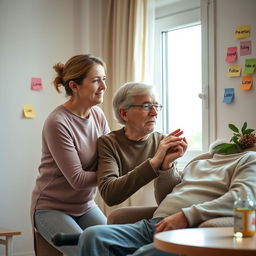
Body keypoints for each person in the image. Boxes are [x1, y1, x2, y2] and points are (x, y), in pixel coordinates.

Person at [78, 115, 256, 255]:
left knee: (143, 254)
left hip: (187, 231)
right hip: (154, 224)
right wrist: (167, 166)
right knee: (91, 236)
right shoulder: (200, 162)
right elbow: (165, 197)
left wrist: (187, 216)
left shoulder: (250, 160)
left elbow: (241, 199)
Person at [30, 54, 110, 256]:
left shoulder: (98, 115)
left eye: (104, 79)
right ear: (74, 86)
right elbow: (78, 179)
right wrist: (111, 174)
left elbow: (112, 156)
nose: (103, 86)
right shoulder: (58, 122)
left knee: (116, 247)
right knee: (88, 251)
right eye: (96, 80)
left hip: (85, 205)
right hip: (51, 207)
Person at [97, 82, 187, 207]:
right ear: (124, 114)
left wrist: (167, 165)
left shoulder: (163, 142)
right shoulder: (108, 143)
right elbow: (109, 195)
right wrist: (154, 162)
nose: (155, 112)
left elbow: (169, 203)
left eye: (156, 106)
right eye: (146, 106)